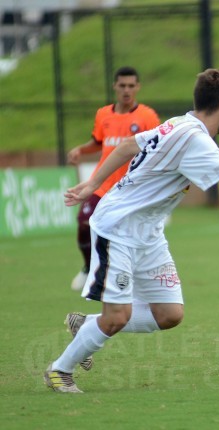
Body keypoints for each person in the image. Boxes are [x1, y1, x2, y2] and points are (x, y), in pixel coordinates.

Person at [44, 68, 219, 393]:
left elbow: (129, 145)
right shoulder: (197, 141)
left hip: (148, 234)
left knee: (169, 313)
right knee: (116, 317)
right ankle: (60, 370)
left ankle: (87, 325)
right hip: (119, 229)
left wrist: (93, 183)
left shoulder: (178, 123)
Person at [67, 66, 160, 292]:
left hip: (130, 188)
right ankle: (89, 267)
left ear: (137, 87)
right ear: (115, 87)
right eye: (122, 86)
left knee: (129, 235)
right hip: (103, 185)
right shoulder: (103, 114)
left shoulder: (147, 116)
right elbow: (98, 142)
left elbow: (159, 147)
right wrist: (81, 150)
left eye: (131, 86)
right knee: (84, 222)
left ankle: (129, 277)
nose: (126, 90)